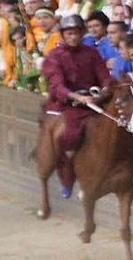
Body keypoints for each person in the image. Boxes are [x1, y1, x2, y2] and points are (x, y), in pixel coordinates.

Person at [40, 15, 112, 198]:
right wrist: (78, 97)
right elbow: (57, 86)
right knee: (69, 135)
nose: (74, 37)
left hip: (95, 100)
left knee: (122, 124)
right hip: (69, 105)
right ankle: (67, 175)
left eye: (77, 33)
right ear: (63, 35)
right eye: (70, 33)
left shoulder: (91, 53)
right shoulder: (54, 56)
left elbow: (104, 76)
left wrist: (102, 93)